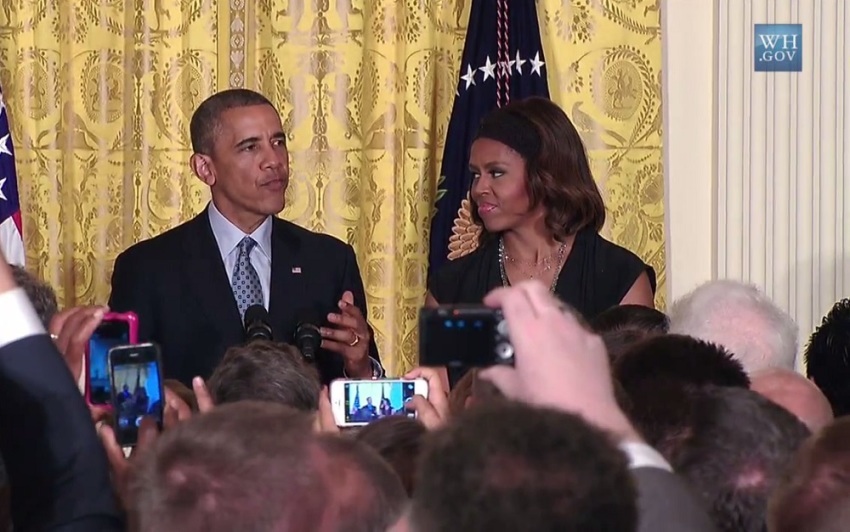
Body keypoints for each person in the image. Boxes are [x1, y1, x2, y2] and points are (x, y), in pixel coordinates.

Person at [108, 89, 383, 385]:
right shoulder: (147, 268)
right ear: (205, 168)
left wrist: (360, 368)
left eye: (278, 142)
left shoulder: (328, 261)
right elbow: (127, 393)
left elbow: (363, 405)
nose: (273, 161)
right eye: (250, 147)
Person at [426, 97, 655, 384]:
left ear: (546, 175)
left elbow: (640, 399)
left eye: (496, 173)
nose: (479, 189)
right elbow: (438, 404)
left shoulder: (619, 278)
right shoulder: (451, 288)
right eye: (476, 175)